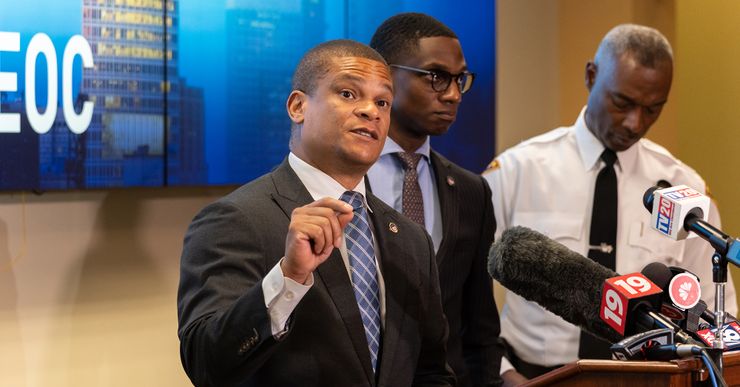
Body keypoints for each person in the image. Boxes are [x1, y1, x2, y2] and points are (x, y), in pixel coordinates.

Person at [177, 39, 455, 387]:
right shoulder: (233, 219)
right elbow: (205, 363)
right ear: (298, 107)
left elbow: (431, 371)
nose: (371, 111)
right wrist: (288, 276)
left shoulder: (411, 238)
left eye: (382, 101)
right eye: (349, 94)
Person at [482, 24, 738, 384]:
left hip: (645, 378)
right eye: (623, 103)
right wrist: (505, 376)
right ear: (591, 76)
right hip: (531, 377)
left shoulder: (686, 189)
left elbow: (715, 317)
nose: (635, 123)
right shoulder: (517, 170)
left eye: (653, 109)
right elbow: (461, 293)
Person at [367, 13, 504, 387]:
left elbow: (480, 327)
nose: (453, 94)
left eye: (460, 79)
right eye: (436, 77)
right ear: (385, 76)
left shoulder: (471, 190)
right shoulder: (338, 180)